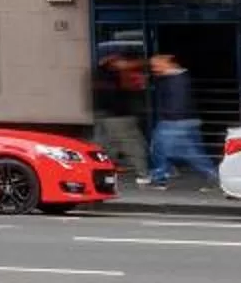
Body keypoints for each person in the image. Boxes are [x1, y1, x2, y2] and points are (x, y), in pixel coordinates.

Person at [145, 53, 218, 188]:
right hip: (185, 120)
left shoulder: (175, 79)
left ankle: (159, 178)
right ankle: (212, 175)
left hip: (174, 121)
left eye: (156, 65)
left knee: (159, 149)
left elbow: (177, 101)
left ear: (167, 63)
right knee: (192, 152)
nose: (154, 69)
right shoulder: (175, 77)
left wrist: (169, 116)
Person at [90, 49, 149, 184]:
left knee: (124, 144)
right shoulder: (108, 72)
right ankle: (104, 172)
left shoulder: (118, 73)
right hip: (111, 114)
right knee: (106, 145)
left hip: (116, 114)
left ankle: (142, 173)